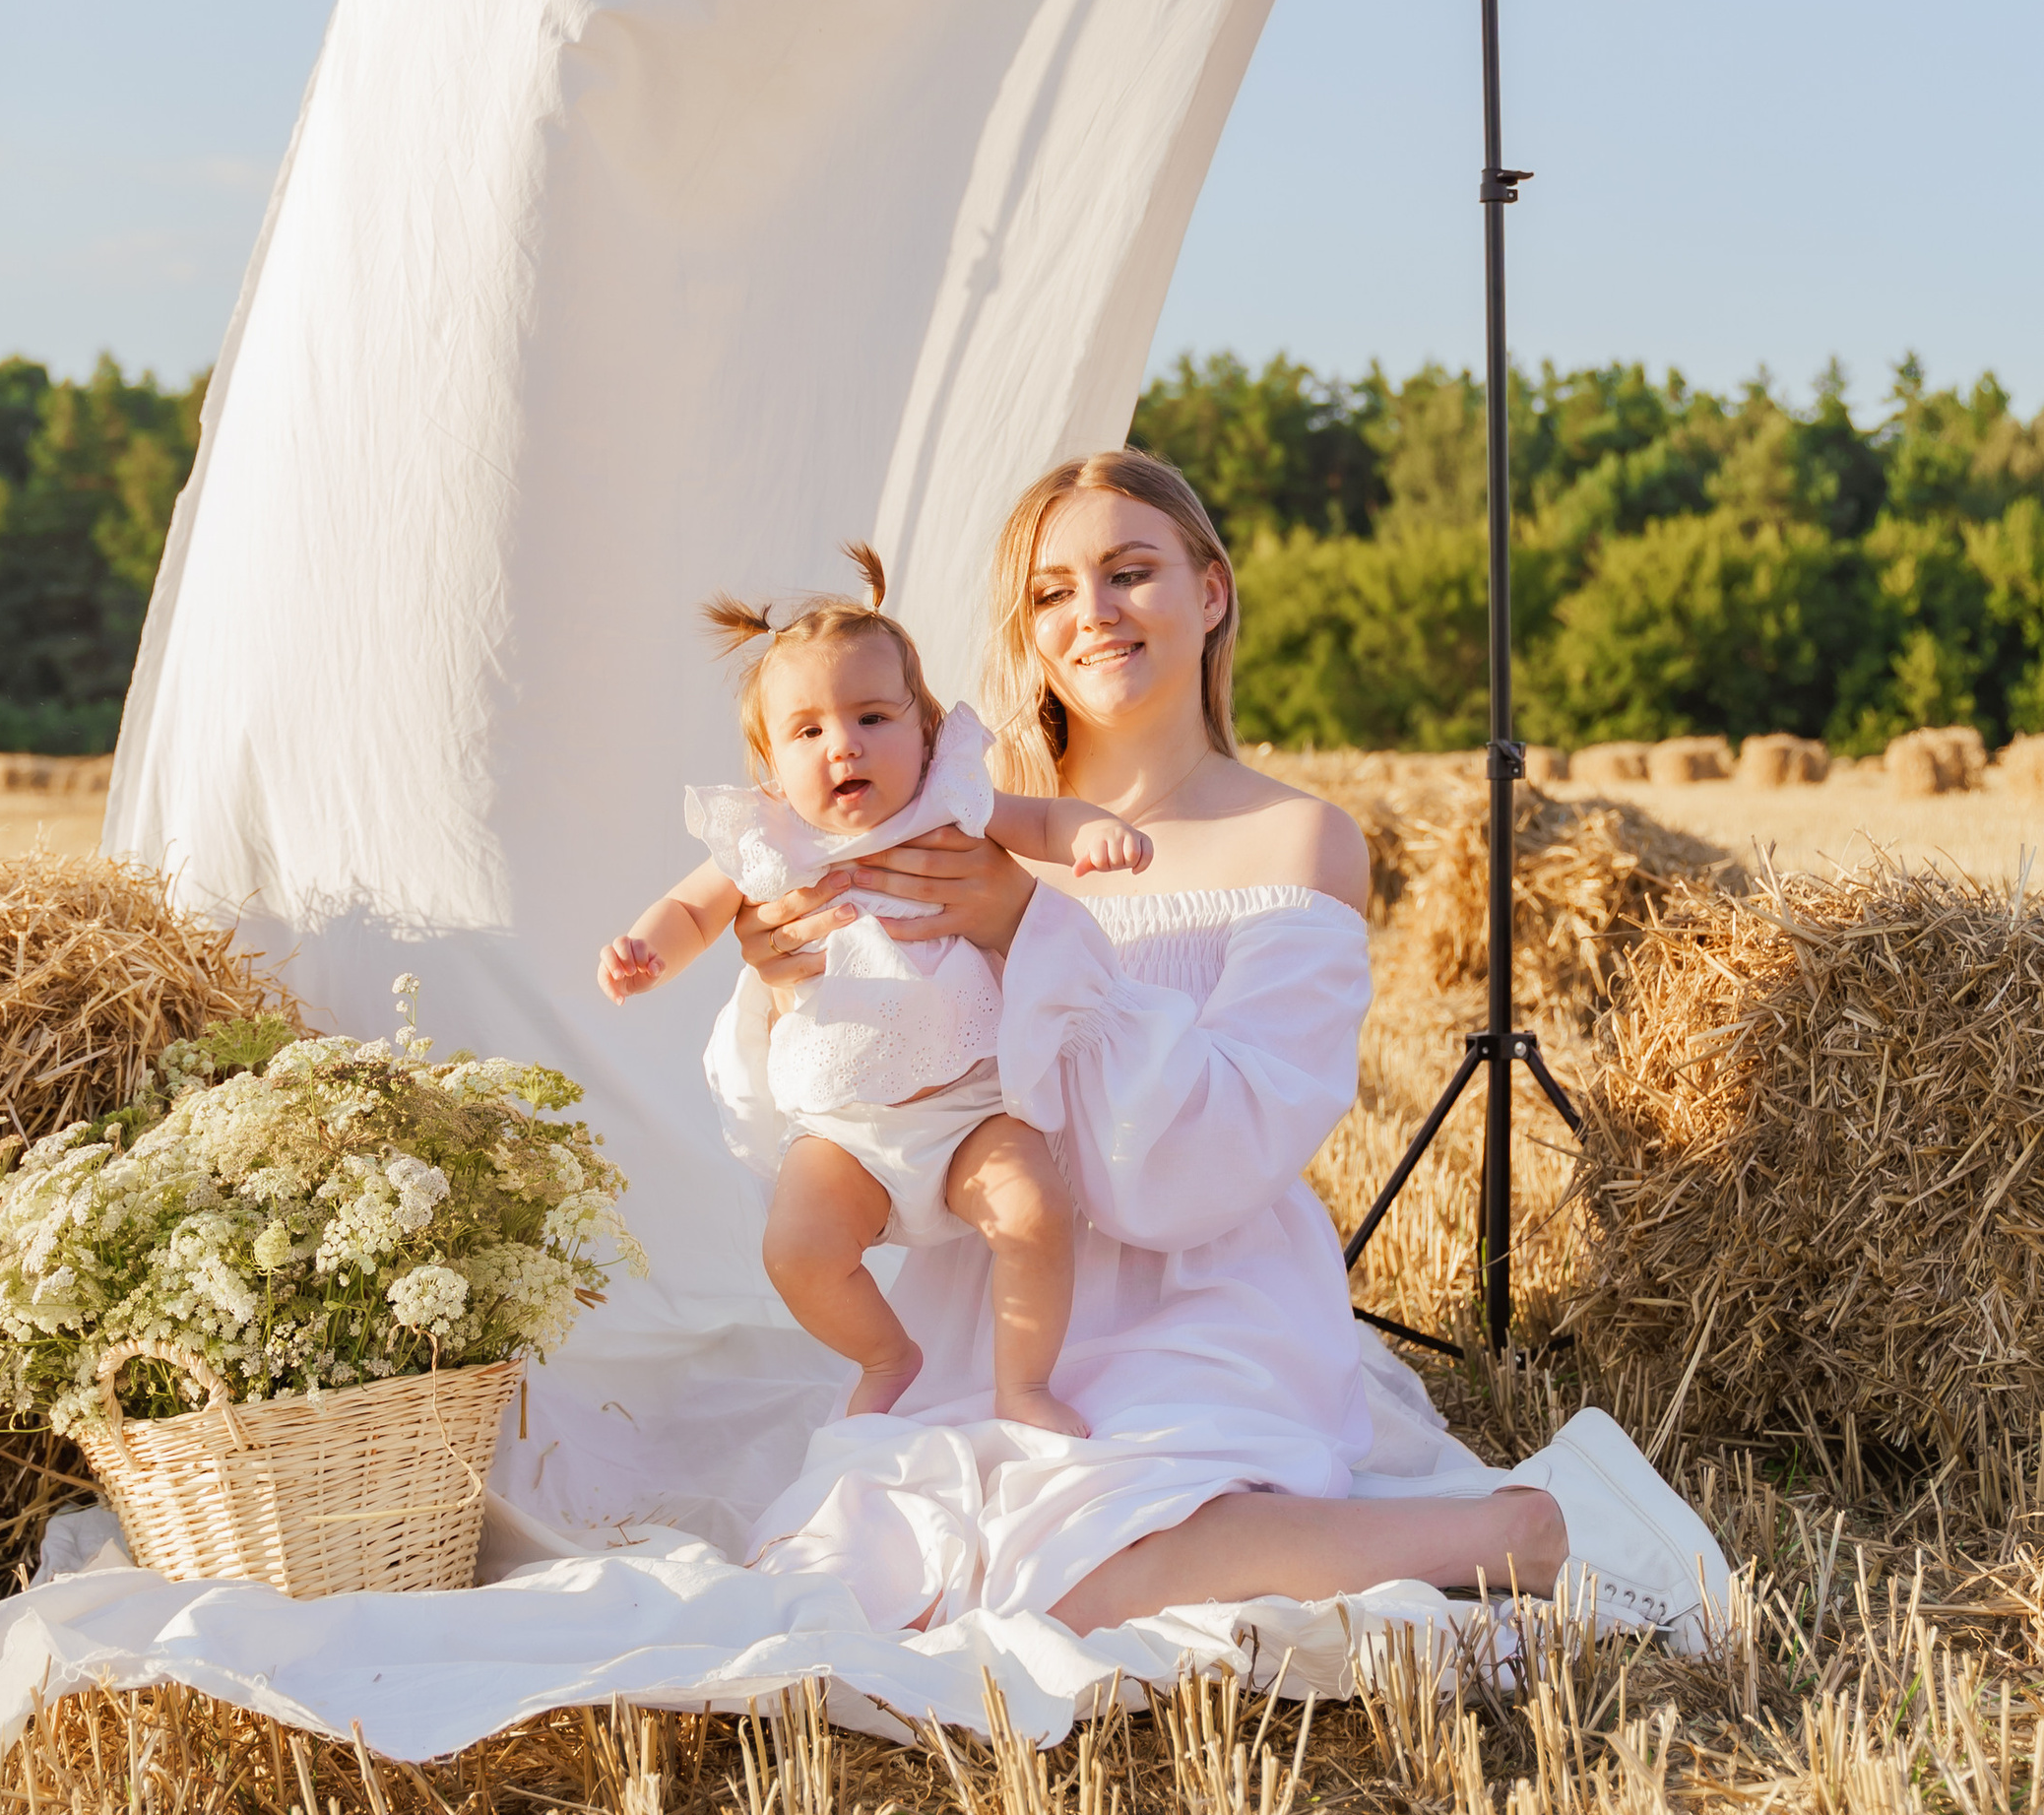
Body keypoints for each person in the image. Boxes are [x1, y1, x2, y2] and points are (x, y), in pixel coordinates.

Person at [727, 451, 1731, 1651]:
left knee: (1076, 1584)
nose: (1089, 612)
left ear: (1210, 591)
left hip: (1202, 1291)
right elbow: (833, 1129)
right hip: (1000, 1306)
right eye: (1050, 591)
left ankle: (1524, 1528)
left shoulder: (1298, 839)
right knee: (864, 1584)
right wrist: (786, 987)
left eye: (1128, 571)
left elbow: (1222, 1145)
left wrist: (1028, 927)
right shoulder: (943, 818)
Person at [598, 547, 1151, 1437]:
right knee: (797, 1251)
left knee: (1035, 1211)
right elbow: (693, 911)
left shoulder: (950, 801)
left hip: (973, 1101)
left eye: (871, 717)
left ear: (926, 729)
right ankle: (889, 1357)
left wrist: (1094, 831)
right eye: (808, 731)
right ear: (771, 768)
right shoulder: (773, 842)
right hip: (846, 1130)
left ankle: (1026, 1387)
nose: (844, 745)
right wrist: (645, 952)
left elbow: (1042, 819)